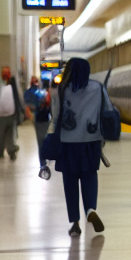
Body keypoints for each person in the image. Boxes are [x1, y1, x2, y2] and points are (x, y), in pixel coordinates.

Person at [54, 57, 110, 236]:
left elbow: (55, 116)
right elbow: (108, 110)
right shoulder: (98, 87)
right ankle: (91, 210)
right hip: (91, 142)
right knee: (89, 176)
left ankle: (75, 224)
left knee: (70, 183)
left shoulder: (63, 89)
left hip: (67, 144)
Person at [0, 69, 22, 159]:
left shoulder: (9, 86)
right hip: (3, 116)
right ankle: (3, 153)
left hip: (6, 115)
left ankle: (9, 151)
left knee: (3, 135)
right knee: (4, 135)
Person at [25, 75, 52, 152]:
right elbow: (26, 105)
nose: (34, 84)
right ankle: (43, 159)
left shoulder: (44, 92)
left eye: (36, 81)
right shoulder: (28, 93)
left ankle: (44, 156)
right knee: (41, 139)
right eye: (33, 82)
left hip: (44, 118)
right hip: (38, 118)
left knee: (43, 138)